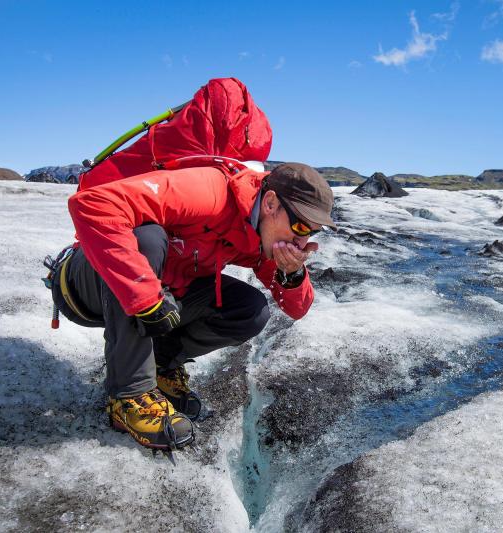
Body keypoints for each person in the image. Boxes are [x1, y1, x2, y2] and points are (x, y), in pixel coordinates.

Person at [50, 162, 336, 451]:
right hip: (83, 286)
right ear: (271, 203)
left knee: (250, 309)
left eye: (311, 232)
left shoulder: (262, 230)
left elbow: (297, 308)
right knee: (146, 238)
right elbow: (92, 204)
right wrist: (145, 297)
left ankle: (160, 366)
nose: (302, 241)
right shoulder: (208, 191)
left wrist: (292, 274)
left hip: (157, 295)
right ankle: (130, 396)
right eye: (299, 226)